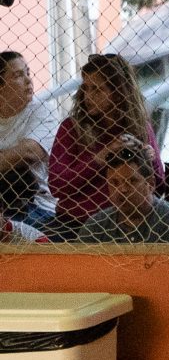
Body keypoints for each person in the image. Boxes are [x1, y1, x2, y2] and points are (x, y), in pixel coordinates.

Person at [47, 53, 158, 227]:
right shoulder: (72, 127)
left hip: (125, 222)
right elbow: (57, 185)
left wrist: (149, 161)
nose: (88, 96)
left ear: (118, 94)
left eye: (97, 90)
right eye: (86, 88)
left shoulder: (139, 127)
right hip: (75, 221)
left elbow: (160, 184)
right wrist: (100, 158)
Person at [67, 140, 169, 244]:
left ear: (151, 184)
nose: (122, 189)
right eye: (114, 183)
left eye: (131, 181)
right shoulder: (97, 225)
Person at [0, 50, 45, 189]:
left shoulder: (41, 109)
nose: (28, 80)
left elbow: (29, 152)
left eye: (28, 73)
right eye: (18, 75)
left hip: (36, 198)